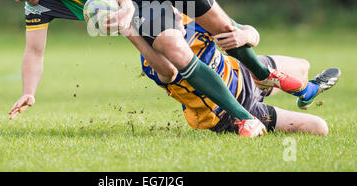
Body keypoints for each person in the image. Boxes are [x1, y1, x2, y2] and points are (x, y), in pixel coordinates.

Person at [0, 0, 307, 134]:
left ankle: (262, 71)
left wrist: (124, 5)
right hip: (136, 0)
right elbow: (33, 51)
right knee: (174, 50)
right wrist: (28, 92)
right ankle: (246, 119)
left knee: (225, 30)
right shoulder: (37, 4)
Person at [135, 14, 341, 136]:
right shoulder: (153, 61)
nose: (177, 20)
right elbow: (169, 73)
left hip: (244, 73)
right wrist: (129, 30)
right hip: (229, 113)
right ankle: (298, 91)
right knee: (319, 128)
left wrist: (244, 36)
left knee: (303, 66)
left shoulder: (192, 17)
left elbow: (252, 33)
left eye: (173, 12)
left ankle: (307, 92)